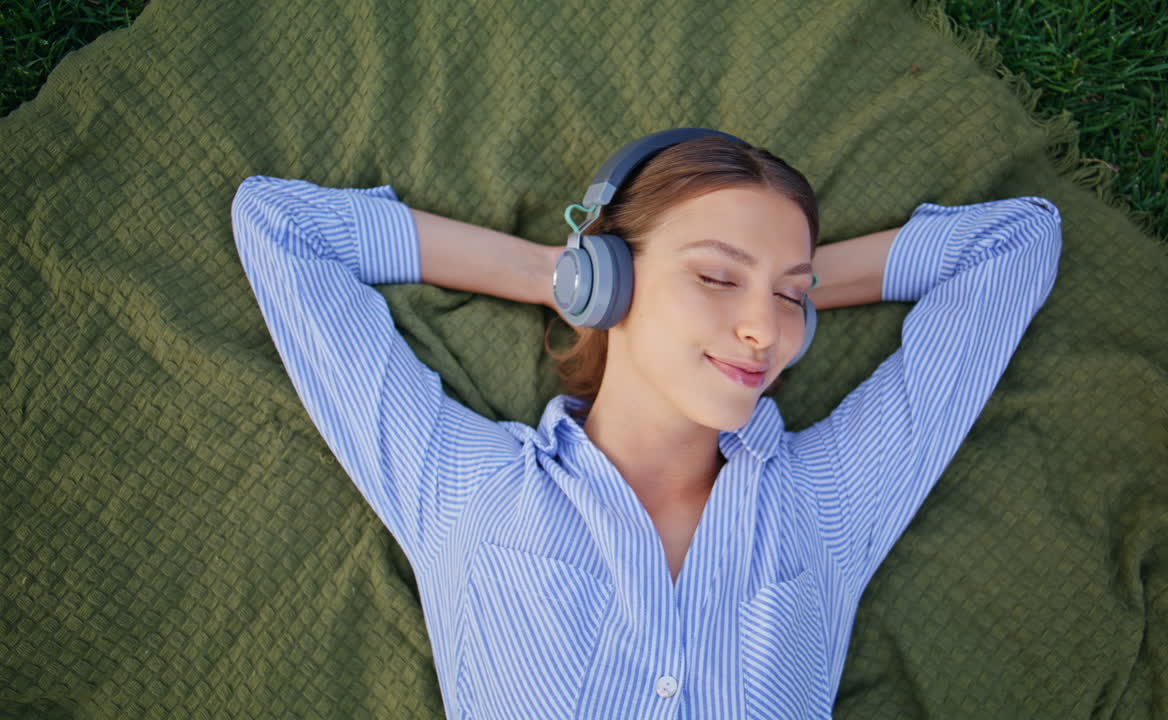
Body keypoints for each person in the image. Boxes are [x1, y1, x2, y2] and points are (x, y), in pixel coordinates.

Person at [231, 128, 1061, 718]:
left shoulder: (831, 501)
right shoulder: (463, 491)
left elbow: (1015, 243)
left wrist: (775, 280)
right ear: (611, 277)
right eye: (716, 277)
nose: (766, 332)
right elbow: (285, 229)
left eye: (792, 296)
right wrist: (572, 277)